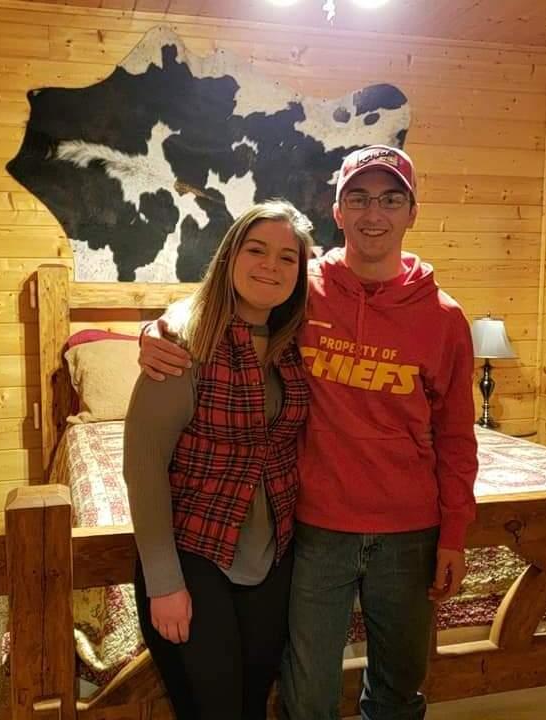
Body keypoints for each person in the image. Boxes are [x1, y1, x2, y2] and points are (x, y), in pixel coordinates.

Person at [139, 145, 478, 719]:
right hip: (315, 526)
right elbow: (224, 299)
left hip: (411, 530)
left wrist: (455, 533)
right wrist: (159, 327)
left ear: (412, 213)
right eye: (359, 199)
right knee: (307, 694)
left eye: (390, 200)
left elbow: (456, 436)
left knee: (399, 691)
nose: (374, 213)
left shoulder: (445, 318)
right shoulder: (301, 287)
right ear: (337, 211)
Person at [124, 199, 314, 720]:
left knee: (253, 701)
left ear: (301, 272)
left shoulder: (300, 343)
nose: (270, 266)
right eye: (256, 250)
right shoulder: (182, 344)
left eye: (287, 258)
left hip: (274, 553)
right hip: (195, 551)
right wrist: (164, 581)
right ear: (230, 255)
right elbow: (143, 466)